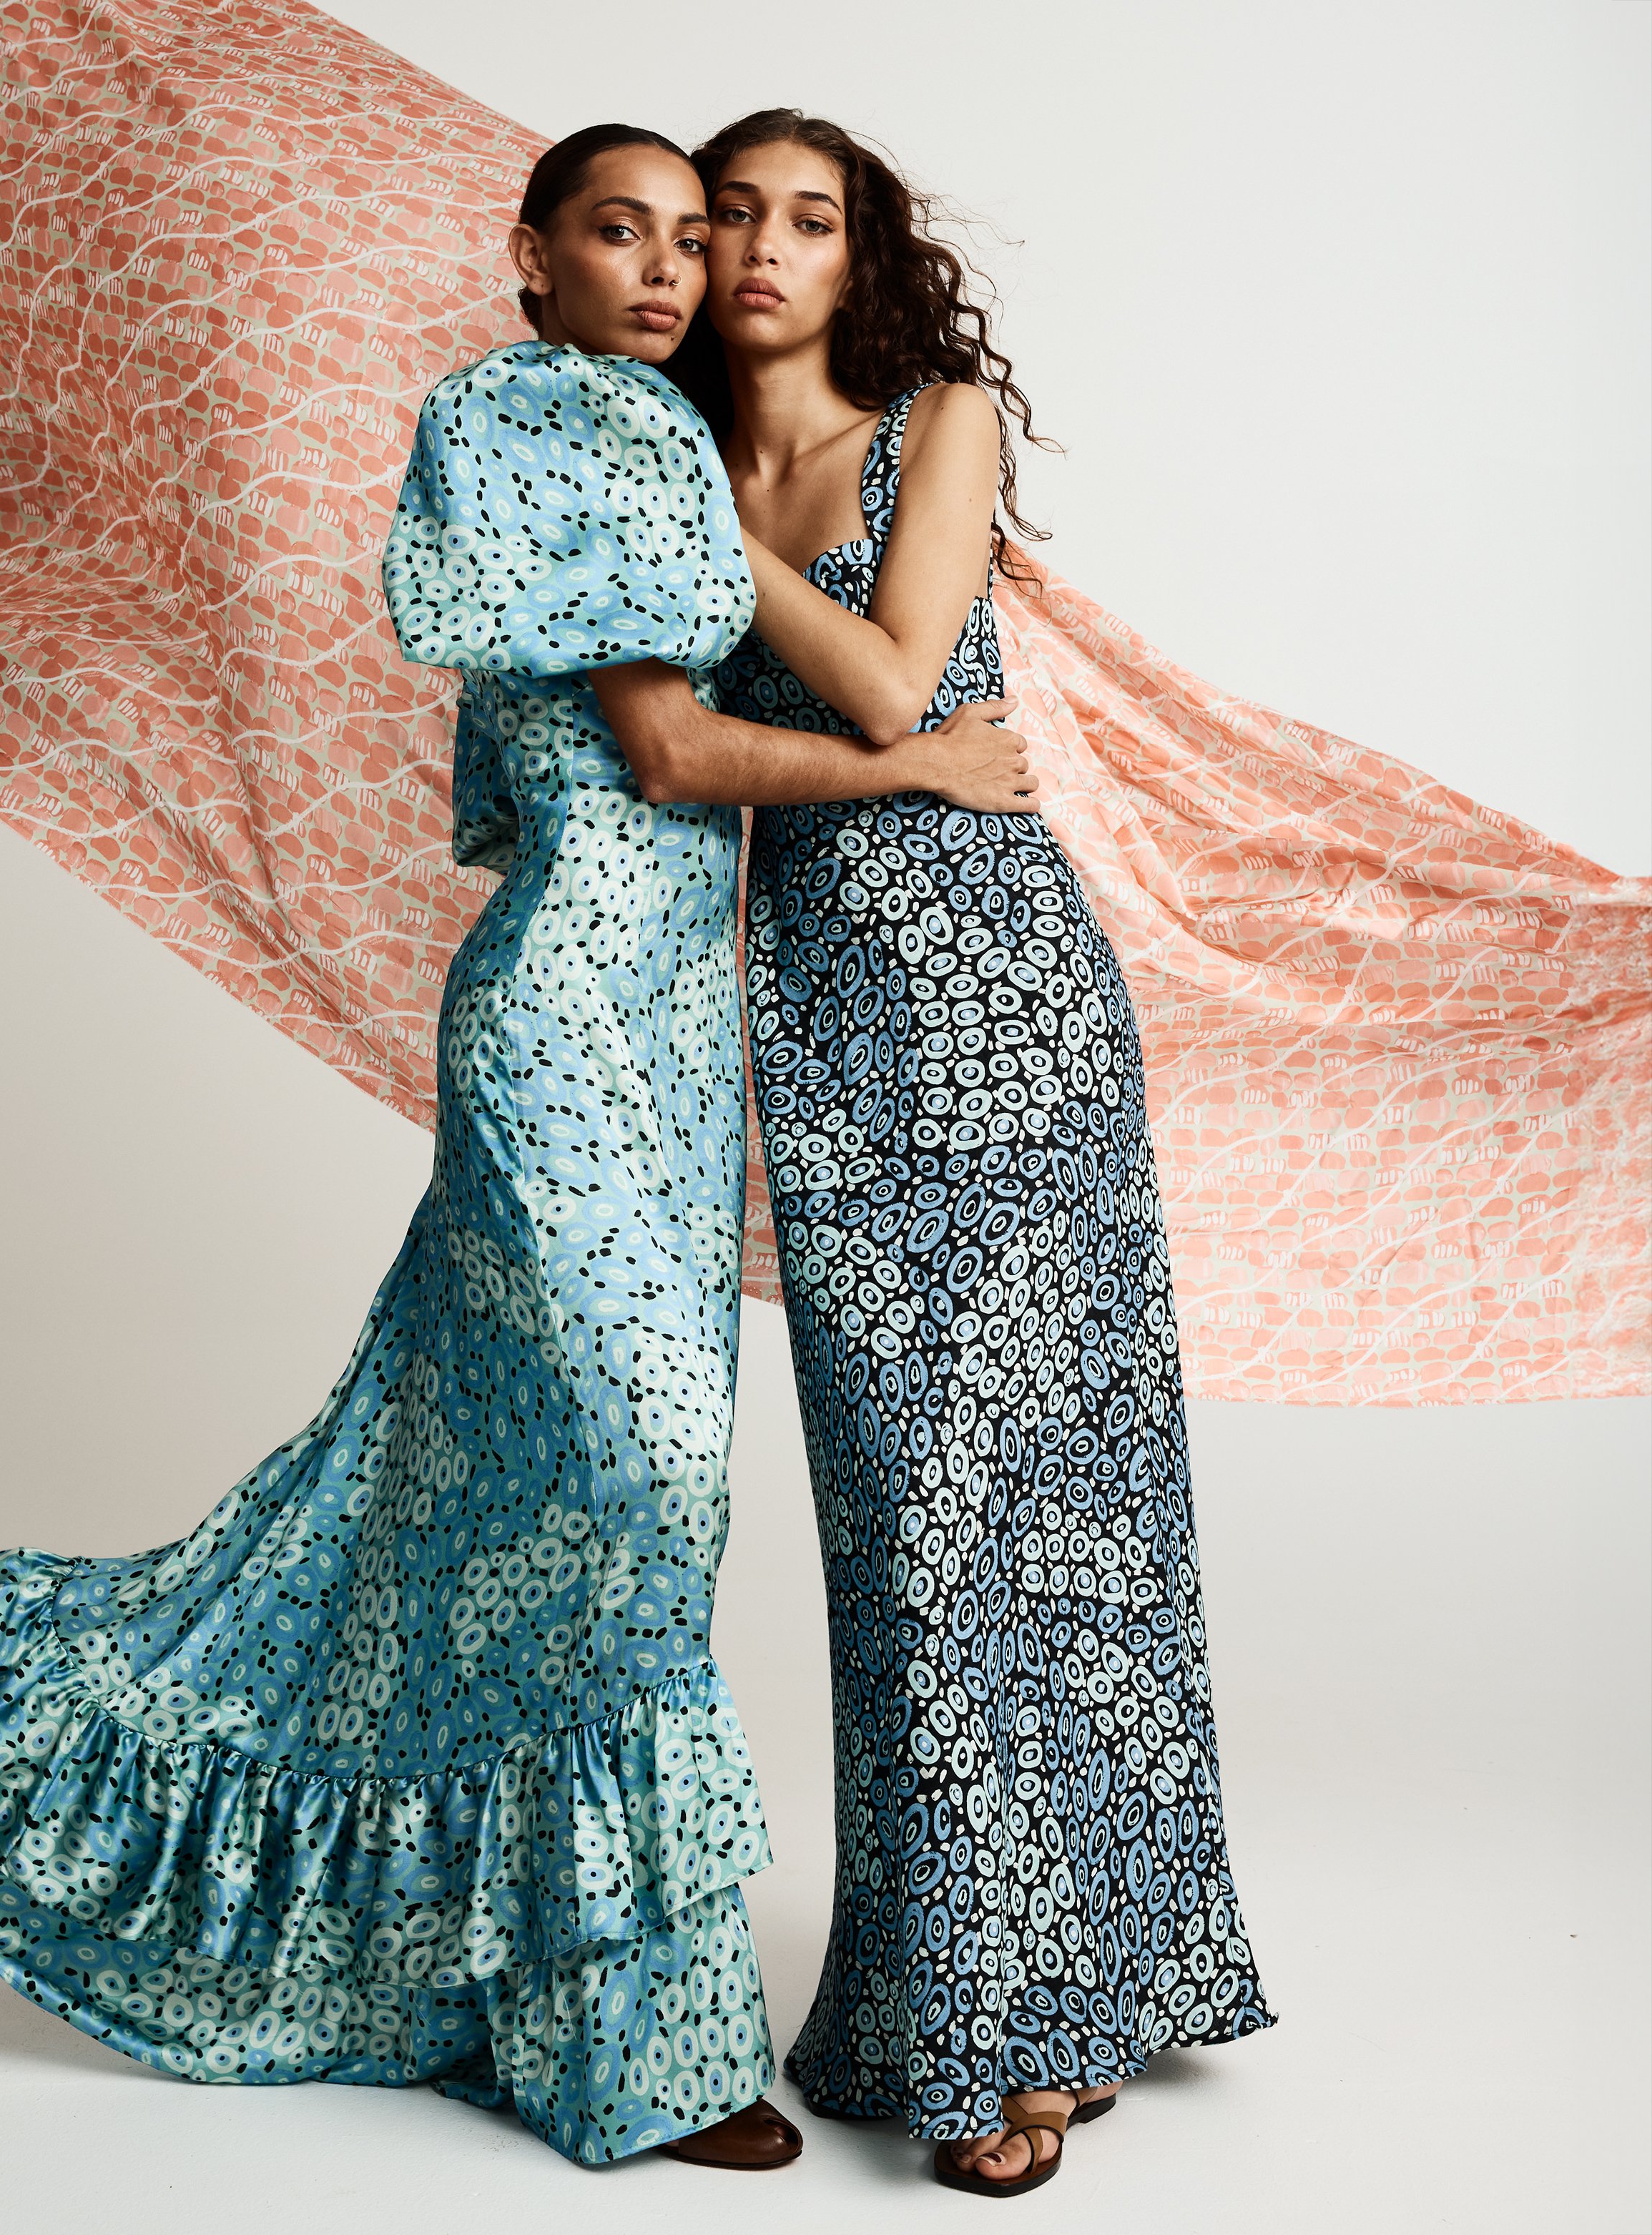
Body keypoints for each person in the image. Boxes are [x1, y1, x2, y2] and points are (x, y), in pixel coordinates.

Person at [0, 123, 1030, 2173]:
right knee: (632, 1495)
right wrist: (914, 759)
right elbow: (662, 752)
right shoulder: (522, 421)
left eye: (696, 239)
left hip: (673, 1045)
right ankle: (633, 2057)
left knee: (529, 1525)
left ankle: (488, 1975)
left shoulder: (645, 433)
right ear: (532, 253)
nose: (671, 269)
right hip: (570, 1025)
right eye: (621, 231)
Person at [682, 108, 1277, 2196]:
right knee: (908, 1524)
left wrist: (707, 527)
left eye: (809, 217)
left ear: (864, 259)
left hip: (1011, 1008)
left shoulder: (932, 426)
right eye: (732, 212)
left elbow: (889, 677)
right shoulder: (657, 467)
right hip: (825, 1014)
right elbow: (680, 748)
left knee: (1066, 1512)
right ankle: (982, 1986)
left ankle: (1052, 2013)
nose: (765, 247)